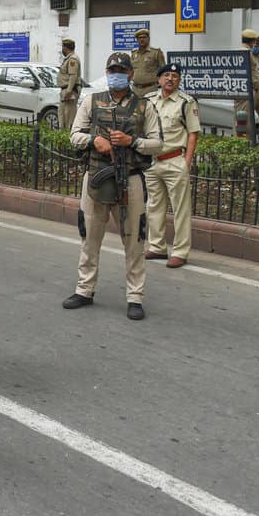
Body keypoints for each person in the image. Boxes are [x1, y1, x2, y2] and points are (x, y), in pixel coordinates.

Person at [63, 52, 164, 320]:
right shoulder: (91, 101)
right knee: (89, 238)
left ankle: (135, 297)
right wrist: (95, 140)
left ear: (131, 74)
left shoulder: (145, 107)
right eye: (112, 70)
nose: (116, 74)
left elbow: (158, 143)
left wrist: (132, 141)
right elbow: (74, 135)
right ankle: (84, 290)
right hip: (96, 176)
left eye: (121, 70)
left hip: (130, 179)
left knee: (134, 241)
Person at [143, 63, 200, 268]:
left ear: (179, 80)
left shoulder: (186, 102)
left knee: (180, 209)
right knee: (154, 206)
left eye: (175, 76)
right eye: (166, 75)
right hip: (152, 161)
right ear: (159, 80)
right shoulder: (149, 100)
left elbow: (193, 133)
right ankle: (157, 247)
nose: (170, 79)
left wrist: (186, 162)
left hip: (175, 159)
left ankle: (180, 251)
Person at [233, 29, 259, 138]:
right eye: (256, 41)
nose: (258, 44)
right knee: (244, 125)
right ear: (252, 41)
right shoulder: (243, 52)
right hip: (249, 91)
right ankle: (245, 150)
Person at [129, 28, 165, 98]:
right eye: (139, 38)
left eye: (144, 37)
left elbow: (163, 70)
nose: (142, 40)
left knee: (150, 108)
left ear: (148, 39)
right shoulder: (134, 53)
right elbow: (131, 70)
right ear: (137, 40)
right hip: (135, 89)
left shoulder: (156, 52)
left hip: (150, 89)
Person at [56, 37, 82, 129]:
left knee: (68, 118)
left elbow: (73, 76)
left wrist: (69, 91)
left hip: (69, 91)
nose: (62, 49)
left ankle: (68, 138)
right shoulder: (68, 58)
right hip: (66, 90)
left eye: (62, 47)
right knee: (62, 115)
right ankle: (63, 136)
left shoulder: (72, 59)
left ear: (65, 48)